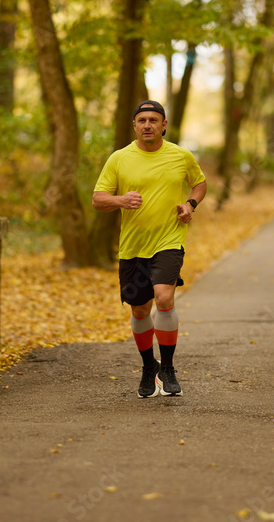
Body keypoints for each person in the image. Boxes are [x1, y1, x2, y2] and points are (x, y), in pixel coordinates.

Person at [92, 100, 207, 397]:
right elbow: (98, 198)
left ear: (164, 125)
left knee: (164, 298)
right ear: (134, 125)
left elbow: (199, 184)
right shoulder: (119, 158)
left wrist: (190, 204)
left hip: (169, 240)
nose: (147, 125)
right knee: (140, 309)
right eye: (142, 120)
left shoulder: (180, 155)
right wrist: (121, 200)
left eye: (153, 120)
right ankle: (148, 367)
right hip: (132, 247)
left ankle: (167, 367)